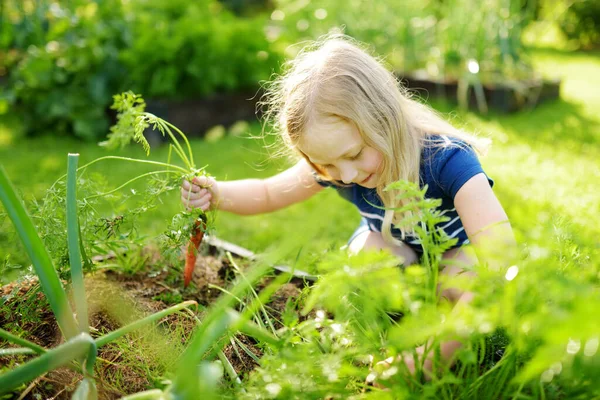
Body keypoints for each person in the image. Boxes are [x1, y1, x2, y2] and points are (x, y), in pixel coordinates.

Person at [180, 34, 516, 378]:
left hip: (454, 252)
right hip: (395, 248)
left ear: (385, 119)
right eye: (326, 165)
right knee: (355, 275)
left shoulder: (448, 159)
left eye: (354, 155)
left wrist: (430, 358)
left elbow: (500, 254)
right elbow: (268, 193)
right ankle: (389, 320)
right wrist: (217, 193)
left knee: (466, 285)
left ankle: (446, 336)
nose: (346, 175)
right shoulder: (338, 165)